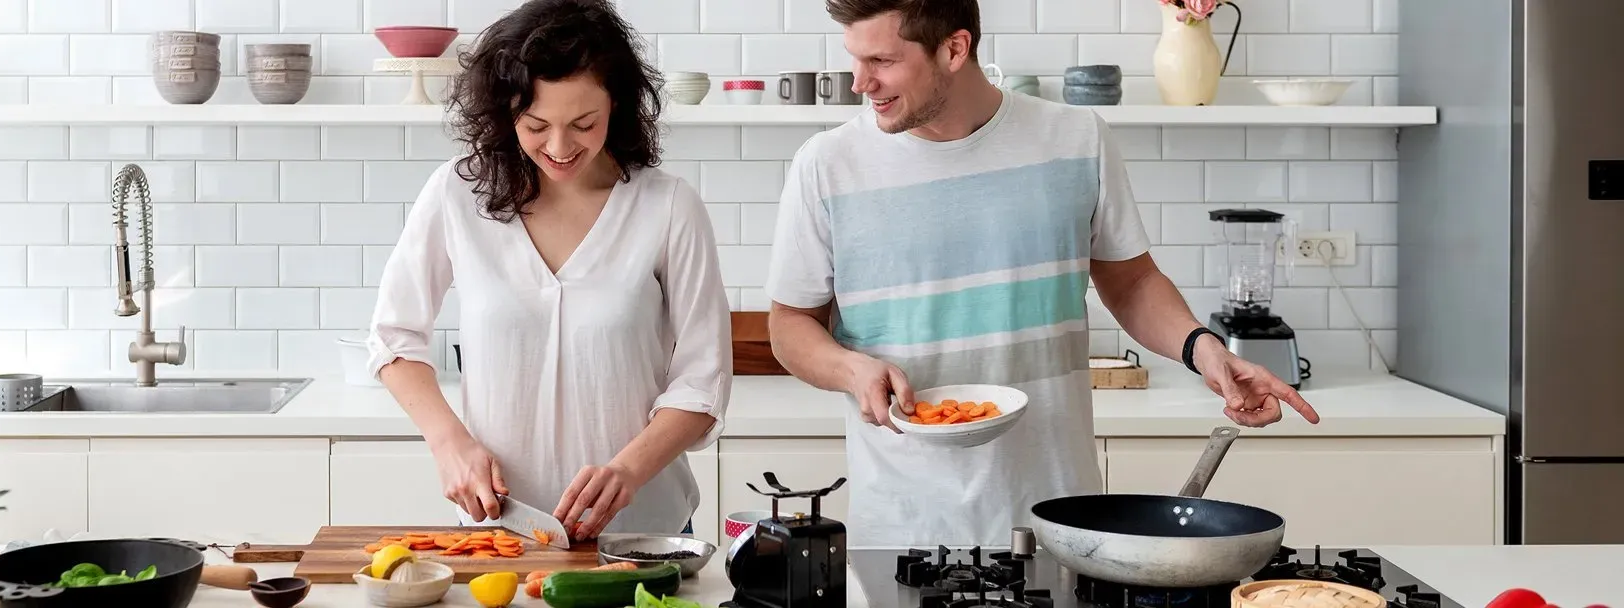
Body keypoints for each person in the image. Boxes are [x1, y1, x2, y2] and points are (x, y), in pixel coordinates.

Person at [764, 0, 1321, 548]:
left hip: (1059, 515)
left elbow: (1131, 283)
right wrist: (850, 370)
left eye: (882, 62)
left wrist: (1206, 349)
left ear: (955, 48)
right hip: (901, 524)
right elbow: (790, 325)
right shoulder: (827, 163)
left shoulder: (1077, 138)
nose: (861, 83)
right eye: (854, 60)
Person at [365, 0, 731, 540]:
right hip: (499, 529)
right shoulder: (457, 192)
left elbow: (703, 382)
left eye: (584, 124)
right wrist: (450, 442)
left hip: (642, 532)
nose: (560, 148)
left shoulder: (669, 206)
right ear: (504, 112)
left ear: (618, 106)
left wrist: (629, 469)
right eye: (536, 125)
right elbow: (394, 337)